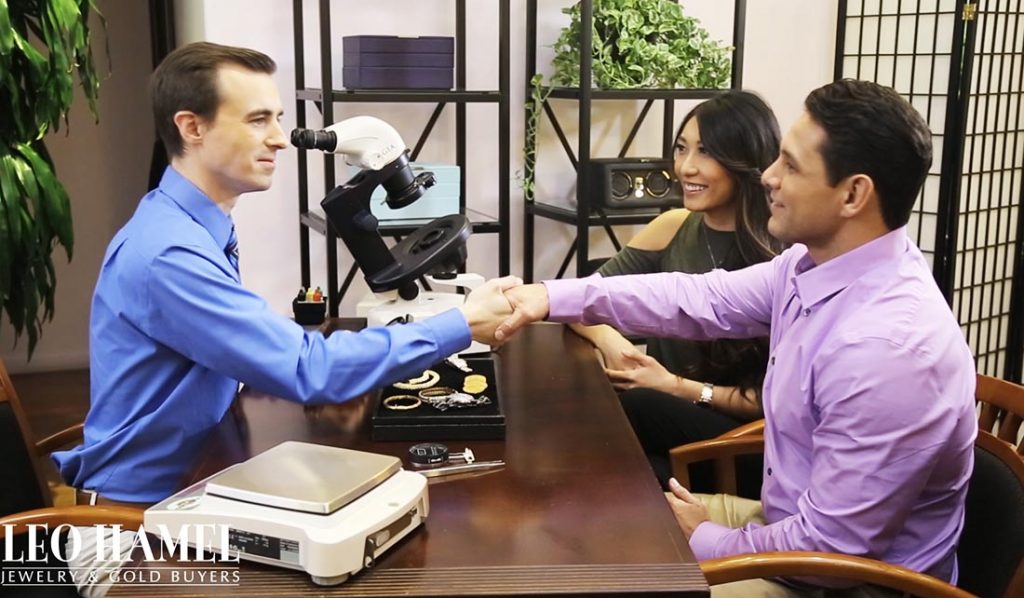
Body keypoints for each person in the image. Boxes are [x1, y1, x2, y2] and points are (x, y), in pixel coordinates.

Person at [487, 79, 976, 596]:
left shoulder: (886, 351)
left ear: (853, 194)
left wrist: (707, 539)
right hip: (788, 527)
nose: (768, 177)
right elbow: (699, 300)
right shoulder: (808, 266)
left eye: (790, 165)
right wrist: (549, 296)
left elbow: (828, 551)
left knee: (614, 570)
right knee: (585, 522)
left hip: (851, 582)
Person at [52, 41, 515, 506]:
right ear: (192, 127)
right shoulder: (168, 254)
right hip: (137, 525)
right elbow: (307, 369)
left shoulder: (188, 223)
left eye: (276, 118)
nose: (278, 138)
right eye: (257, 120)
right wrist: (463, 321)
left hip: (197, 480)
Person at [569, 91, 783, 493]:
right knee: (610, 462)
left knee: (633, 415)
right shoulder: (673, 226)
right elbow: (582, 299)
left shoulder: (779, 251)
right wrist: (612, 341)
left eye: (706, 153)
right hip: (667, 421)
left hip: (742, 439)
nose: (686, 168)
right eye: (682, 149)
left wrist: (673, 386)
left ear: (746, 161)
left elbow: (774, 405)